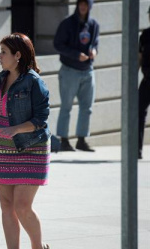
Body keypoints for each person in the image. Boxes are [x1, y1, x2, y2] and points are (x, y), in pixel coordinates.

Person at [0, 33, 53, 249]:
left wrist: (16, 129)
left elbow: (42, 118)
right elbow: (4, 108)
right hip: (2, 147)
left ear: (17, 55)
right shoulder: (1, 78)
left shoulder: (34, 81)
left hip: (30, 147)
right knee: (6, 206)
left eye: (3, 51)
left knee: (22, 206)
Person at [54, 0, 100, 152]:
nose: (83, 7)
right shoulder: (67, 23)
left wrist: (94, 50)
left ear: (90, 7)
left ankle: (81, 139)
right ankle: (64, 140)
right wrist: (75, 55)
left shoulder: (93, 25)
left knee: (87, 107)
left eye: (86, 4)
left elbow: (95, 43)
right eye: (81, 4)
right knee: (66, 106)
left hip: (88, 70)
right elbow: (58, 44)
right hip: (69, 70)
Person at [138, 6, 150, 159]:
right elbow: (139, 57)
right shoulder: (145, 35)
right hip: (147, 80)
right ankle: (137, 150)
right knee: (138, 113)